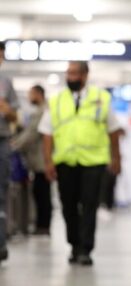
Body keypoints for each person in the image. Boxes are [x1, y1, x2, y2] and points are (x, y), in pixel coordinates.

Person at [39, 61, 122, 266]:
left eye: (75, 73)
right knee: (68, 206)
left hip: (93, 162)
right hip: (66, 162)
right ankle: (74, 245)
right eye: (68, 73)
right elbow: (47, 133)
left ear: (85, 75)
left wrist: (116, 158)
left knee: (89, 205)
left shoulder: (101, 99)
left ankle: (85, 248)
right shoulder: (57, 100)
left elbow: (113, 130)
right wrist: (48, 161)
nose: (70, 77)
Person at [11, 85, 52, 236]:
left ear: (39, 94)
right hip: (39, 160)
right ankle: (42, 225)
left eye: (31, 94)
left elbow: (32, 134)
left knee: (42, 193)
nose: (29, 97)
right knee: (40, 192)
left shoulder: (42, 112)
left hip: (42, 160)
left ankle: (43, 226)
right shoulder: (41, 110)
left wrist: (13, 145)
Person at [0, 41, 20, 262]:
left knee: (1, 192)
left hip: (2, 140)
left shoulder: (6, 83)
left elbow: (16, 117)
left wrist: (7, 111)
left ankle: (1, 243)